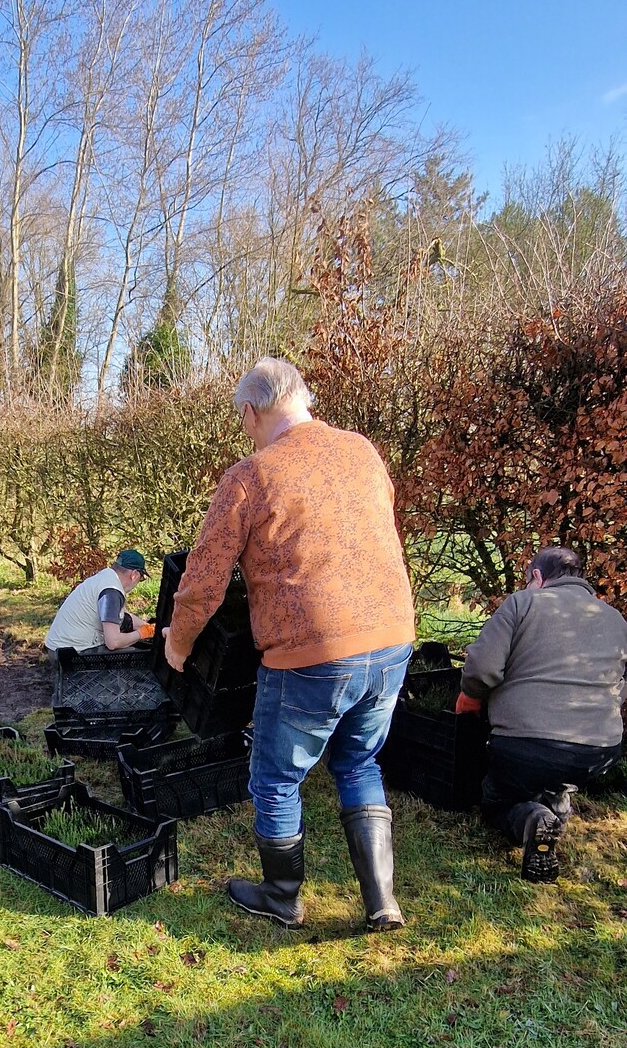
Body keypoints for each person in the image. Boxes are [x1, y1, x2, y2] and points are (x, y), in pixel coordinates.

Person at [163, 357, 415, 928]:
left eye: (242, 420)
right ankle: (381, 902)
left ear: (251, 413)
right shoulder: (363, 451)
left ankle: (282, 898)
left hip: (312, 650)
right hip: (393, 635)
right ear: (303, 398)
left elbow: (203, 578)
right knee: (359, 760)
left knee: (276, 777)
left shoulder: (252, 475)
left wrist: (177, 647)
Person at [458, 545, 627, 881]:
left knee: (497, 797)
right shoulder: (614, 618)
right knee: (557, 772)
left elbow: (482, 669)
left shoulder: (523, 602)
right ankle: (557, 809)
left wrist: (472, 697)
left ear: (536, 576)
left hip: (525, 745)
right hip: (598, 751)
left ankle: (532, 817)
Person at [43, 550, 153, 654]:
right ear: (134, 575)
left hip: (57, 648)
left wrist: (149, 627)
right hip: (71, 654)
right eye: (141, 578)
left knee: (127, 628)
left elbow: (123, 615)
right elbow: (113, 642)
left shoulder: (105, 578)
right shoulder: (112, 591)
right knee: (133, 654)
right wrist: (141, 634)